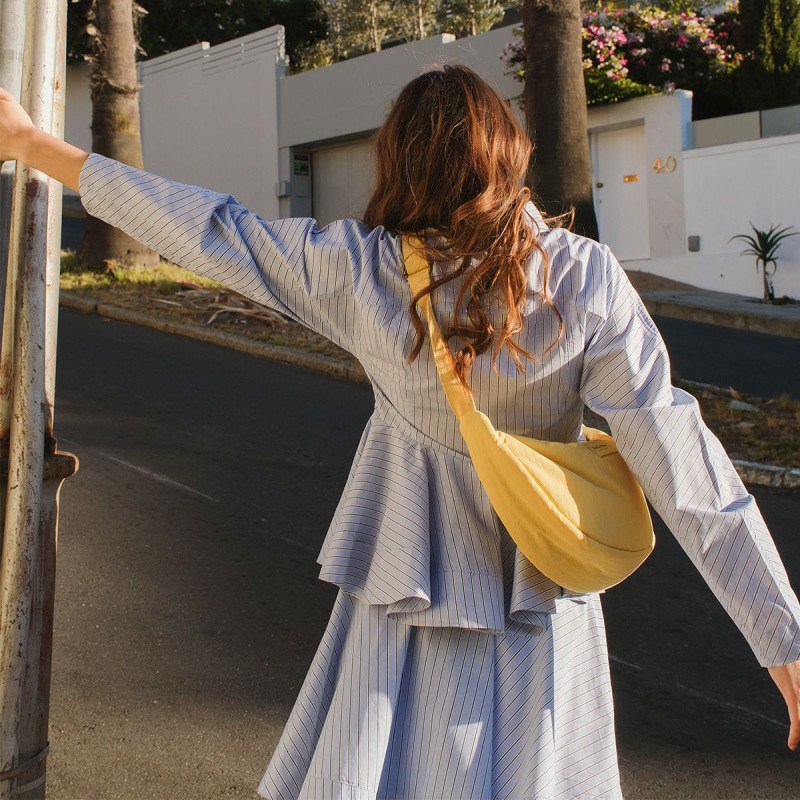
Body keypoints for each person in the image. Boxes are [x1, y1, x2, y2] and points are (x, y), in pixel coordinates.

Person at [1, 65, 799, 799]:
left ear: (401, 164)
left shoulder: (359, 267)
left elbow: (211, 229)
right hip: (542, 593)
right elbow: (681, 457)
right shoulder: (585, 275)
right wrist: (781, 634)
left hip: (403, 591)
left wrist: (34, 144)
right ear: (510, 152)